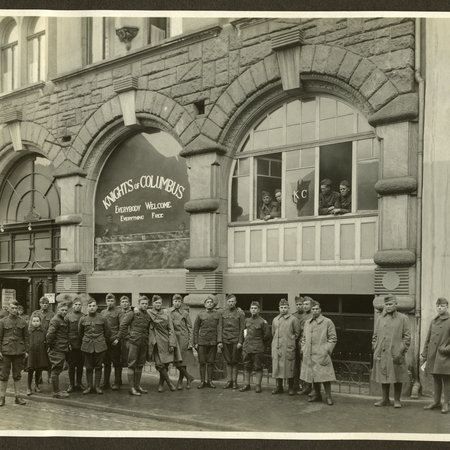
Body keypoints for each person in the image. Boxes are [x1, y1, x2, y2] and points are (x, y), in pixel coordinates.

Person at [371, 294, 411, 408]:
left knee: (397, 376)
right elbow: (375, 336)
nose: (388, 306)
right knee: (383, 375)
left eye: (390, 304)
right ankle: (385, 399)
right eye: (386, 304)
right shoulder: (380, 318)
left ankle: (397, 400)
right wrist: (375, 347)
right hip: (382, 353)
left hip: (396, 353)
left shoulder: (403, 318)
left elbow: (407, 337)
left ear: (396, 304)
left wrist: (401, 351)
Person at [301, 300, 337, 405]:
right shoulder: (307, 323)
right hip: (310, 353)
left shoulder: (327, 322)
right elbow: (304, 338)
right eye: (313, 309)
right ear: (311, 310)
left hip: (322, 354)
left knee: (325, 376)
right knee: (313, 375)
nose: (315, 311)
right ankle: (317, 395)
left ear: (320, 310)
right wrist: (303, 348)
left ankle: (328, 397)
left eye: (317, 309)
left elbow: (333, 338)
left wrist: (326, 349)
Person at [116, 295, 151, 396]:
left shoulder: (147, 315)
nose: (144, 305)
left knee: (140, 364)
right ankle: (131, 388)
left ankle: (137, 386)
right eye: (142, 303)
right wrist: (128, 337)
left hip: (143, 342)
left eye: (146, 304)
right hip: (133, 342)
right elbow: (123, 325)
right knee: (131, 364)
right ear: (138, 304)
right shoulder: (132, 313)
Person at [422, 297, 450, 414]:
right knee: (436, 379)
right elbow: (428, 338)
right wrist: (425, 353)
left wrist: (447, 349)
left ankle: (446, 403)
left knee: (446, 380)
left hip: (445, 355)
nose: (439, 308)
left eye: (442, 306)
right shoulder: (433, 321)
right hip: (433, 355)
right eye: (438, 306)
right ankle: (436, 401)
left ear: (447, 307)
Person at [148, 295, 180, 393]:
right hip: (155, 342)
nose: (158, 305)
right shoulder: (149, 313)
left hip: (166, 341)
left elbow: (171, 329)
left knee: (165, 364)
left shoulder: (166, 313)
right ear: (152, 304)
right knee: (159, 365)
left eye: (159, 303)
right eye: (156, 303)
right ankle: (169, 382)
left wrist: (172, 343)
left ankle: (161, 384)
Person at [79, 298, 111, 395]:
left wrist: (100, 340)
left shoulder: (102, 318)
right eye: (90, 306)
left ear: (96, 307)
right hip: (87, 346)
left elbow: (108, 332)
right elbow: (80, 333)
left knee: (98, 367)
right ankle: (89, 387)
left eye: (93, 306)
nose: (92, 308)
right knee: (88, 367)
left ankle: (97, 386)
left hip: (100, 346)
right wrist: (87, 340)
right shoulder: (83, 319)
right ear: (87, 308)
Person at [0, 300, 29, 406]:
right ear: (8, 309)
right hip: (6, 352)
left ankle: (18, 397)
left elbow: (26, 337)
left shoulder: (23, 322)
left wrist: (26, 350)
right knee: (3, 376)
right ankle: (2, 397)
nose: (14, 310)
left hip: (18, 352)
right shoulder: (2, 322)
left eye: (16, 308)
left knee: (17, 375)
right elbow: (0, 337)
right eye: (12, 308)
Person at [271, 298, 301, 395]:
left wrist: (289, 342)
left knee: (289, 367)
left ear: (288, 308)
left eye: (285, 307)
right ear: (279, 308)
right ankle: (279, 387)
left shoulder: (293, 319)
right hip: (277, 347)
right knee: (277, 367)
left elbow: (297, 334)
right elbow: (273, 333)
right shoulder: (275, 319)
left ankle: (291, 387)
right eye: (281, 307)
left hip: (288, 347)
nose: (283, 309)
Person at [240, 301, 271, 393]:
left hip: (257, 348)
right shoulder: (247, 320)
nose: (253, 310)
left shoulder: (262, 322)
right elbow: (244, 332)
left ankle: (258, 385)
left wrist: (259, 342)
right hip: (247, 348)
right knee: (246, 366)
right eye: (252, 308)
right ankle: (247, 384)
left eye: (255, 308)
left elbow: (267, 335)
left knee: (258, 367)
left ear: (259, 310)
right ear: (250, 310)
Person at [193, 295, 222, 389]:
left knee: (210, 362)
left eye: (211, 302)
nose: (209, 304)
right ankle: (202, 381)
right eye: (207, 302)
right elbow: (196, 329)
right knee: (202, 362)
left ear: (213, 304)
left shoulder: (217, 314)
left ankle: (210, 381)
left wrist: (219, 341)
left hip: (212, 341)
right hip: (202, 341)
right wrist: (196, 342)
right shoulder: (200, 315)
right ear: (205, 304)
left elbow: (219, 328)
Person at [219, 294, 245, 390]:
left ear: (235, 302)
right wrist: (219, 341)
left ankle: (235, 382)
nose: (231, 303)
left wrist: (240, 342)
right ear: (227, 302)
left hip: (235, 340)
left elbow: (242, 328)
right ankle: (229, 381)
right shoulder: (223, 313)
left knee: (234, 361)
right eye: (229, 301)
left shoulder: (240, 313)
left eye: (232, 301)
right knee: (228, 361)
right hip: (225, 340)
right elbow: (220, 327)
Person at [169, 294, 195, 390]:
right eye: (175, 301)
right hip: (173, 339)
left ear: (181, 302)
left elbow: (190, 328)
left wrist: (190, 342)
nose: (177, 303)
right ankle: (189, 377)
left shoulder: (185, 313)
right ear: (172, 301)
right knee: (176, 361)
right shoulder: (168, 312)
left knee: (182, 361)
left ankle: (180, 381)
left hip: (183, 339)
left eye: (179, 301)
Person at [46, 301, 70, 399]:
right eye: (62, 310)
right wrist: (53, 346)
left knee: (58, 368)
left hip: (62, 348)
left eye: (66, 310)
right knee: (56, 369)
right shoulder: (55, 320)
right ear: (57, 310)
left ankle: (57, 390)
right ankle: (56, 392)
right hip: (57, 349)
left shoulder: (63, 320)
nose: (64, 312)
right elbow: (50, 336)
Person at [100, 293, 123, 390]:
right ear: (106, 302)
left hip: (114, 341)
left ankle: (117, 382)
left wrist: (118, 339)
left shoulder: (119, 312)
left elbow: (122, 326)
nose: (110, 303)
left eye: (112, 301)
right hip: (105, 341)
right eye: (108, 301)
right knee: (106, 362)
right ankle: (106, 382)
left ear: (115, 302)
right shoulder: (103, 312)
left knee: (116, 362)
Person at [65, 296, 85, 392]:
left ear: (82, 306)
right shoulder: (68, 317)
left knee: (80, 365)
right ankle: (71, 384)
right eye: (76, 304)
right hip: (72, 345)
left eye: (79, 305)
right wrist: (68, 343)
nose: (77, 306)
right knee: (71, 365)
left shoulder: (84, 316)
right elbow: (65, 331)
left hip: (82, 344)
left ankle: (79, 383)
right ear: (73, 306)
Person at [26, 315, 48, 396]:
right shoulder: (29, 331)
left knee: (39, 369)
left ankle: (36, 385)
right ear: (31, 322)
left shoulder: (44, 331)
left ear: (40, 322)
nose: (36, 323)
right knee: (31, 370)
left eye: (37, 321)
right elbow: (26, 341)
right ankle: (28, 387)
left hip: (41, 353)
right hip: (31, 353)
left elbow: (47, 341)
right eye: (34, 321)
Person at [297, 296, 314, 395]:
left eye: (307, 304)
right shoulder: (303, 316)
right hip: (304, 343)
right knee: (305, 366)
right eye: (304, 304)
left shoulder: (313, 315)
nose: (304, 306)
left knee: (313, 367)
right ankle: (307, 387)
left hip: (313, 343)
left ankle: (314, 389)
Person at [292, 296, 305, 393]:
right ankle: (295, 384)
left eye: (300, 304)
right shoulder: (293, 316)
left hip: (304, 342)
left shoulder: (308, 315)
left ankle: (305, 386)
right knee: (295, 364)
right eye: (297, 305)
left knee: (304, 365)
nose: (299, 306)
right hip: (295, 343)